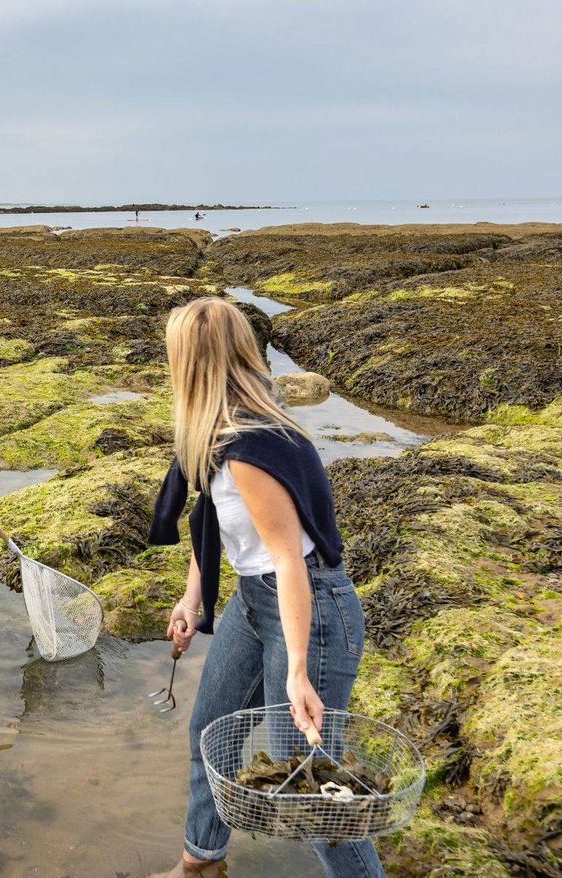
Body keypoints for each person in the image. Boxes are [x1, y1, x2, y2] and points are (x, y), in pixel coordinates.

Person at [146, 297, 382, 877]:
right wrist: (192, 598)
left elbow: (290, 561)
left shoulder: (252, 446)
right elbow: (214, 520)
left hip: (310, 613)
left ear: (190, 363)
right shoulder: (213, 434)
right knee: (210, 732)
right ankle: (200, 861)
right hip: (254, 604)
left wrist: (297, 669)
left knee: (306, 779)